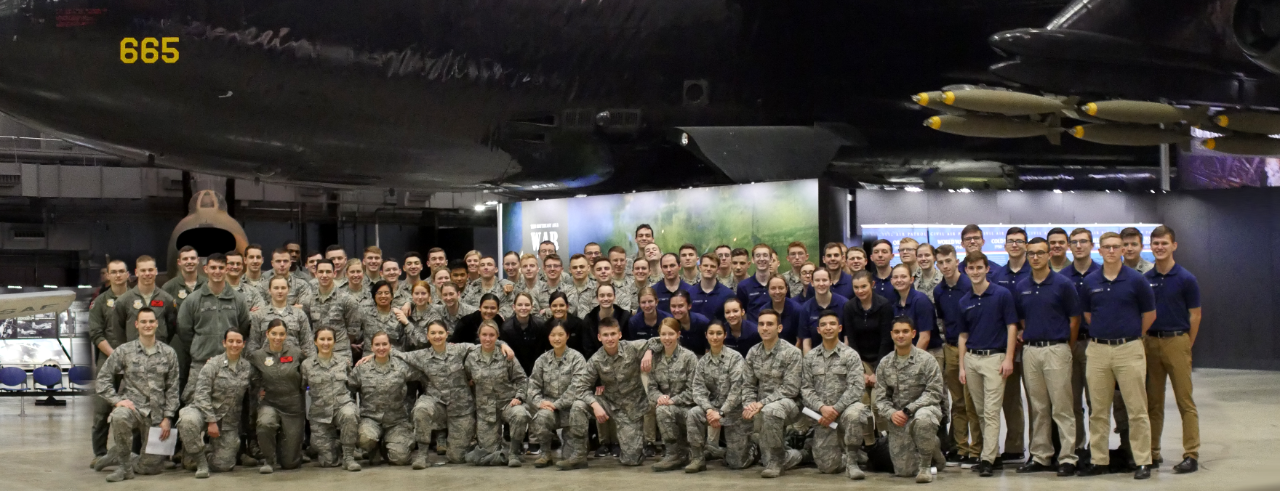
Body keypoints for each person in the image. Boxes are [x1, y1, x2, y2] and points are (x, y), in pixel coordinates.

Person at [1077, 232, 1157, 479]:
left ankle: (1143, 460)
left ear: (1123, 250)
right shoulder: (1090, 282)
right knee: (1098, 410)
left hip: (1129, 349)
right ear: (1099, 251)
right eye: (1106, 247)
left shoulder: (1136, 280)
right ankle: (1100, 460)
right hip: (1098, 350)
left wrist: (1130, 336)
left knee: (1137, 408)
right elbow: (1089, 315)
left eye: (1116, 247)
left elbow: (1150, 315)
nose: (1111, 251)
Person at [383, 321, 499, 467]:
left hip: (461, 408)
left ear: (447, 334)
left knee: (457, 458)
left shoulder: (460, 350)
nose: (437, 336)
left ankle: (470, 443)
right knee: (421, 409)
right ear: (427, 336)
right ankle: (422, 455)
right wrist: (373, 357)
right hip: (436, 403)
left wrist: (503, 345)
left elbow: (485, 344)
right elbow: (398, 355)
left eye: (440, 333)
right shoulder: (422, 355)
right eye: (433, 333)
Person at [1013, 237, 1080, 476]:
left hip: (1057, 349)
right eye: (1031, 253)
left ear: (1049, 255)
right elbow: (1022, 319)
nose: (1035, 257)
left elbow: (1074, 320)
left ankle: (1068, 457)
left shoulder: (1063, 284)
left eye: (1040, 253)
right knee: (1038, 407)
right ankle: (1041, 455)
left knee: (1062, 406)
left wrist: (1066, 348)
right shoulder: (1021, 286)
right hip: (1031, 350)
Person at [94, 308, 181, 482]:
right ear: (136, 325)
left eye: (151, 321)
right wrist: (117, 401)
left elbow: (173, 388)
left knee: (151, 468)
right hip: (133, 408)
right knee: (119, 416)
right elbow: (102, 379)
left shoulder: (168, 353)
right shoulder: (124, 351)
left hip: (156, 414)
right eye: (143, 322)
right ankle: (125, 468)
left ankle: (117, 455)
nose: (147, 325)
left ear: (156, 324)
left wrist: (168, 417)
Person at [1143, 225, 1201, 474]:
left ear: (1173, 246)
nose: (1159, 247)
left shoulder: (1186, 279)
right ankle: (1152, 452)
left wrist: (1186, 344)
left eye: (1164, 243)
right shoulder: (1146, 280)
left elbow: (1195, 315)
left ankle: (1191, 453)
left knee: (1184, 401)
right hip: (1151, 343)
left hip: (1177, 341)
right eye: (1155, 243)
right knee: (1153, 403)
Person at [956, 251, 1018, 477]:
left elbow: (1012, 326)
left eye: (979, 268)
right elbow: (963, 335)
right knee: (980, 412)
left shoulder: (1002, 295)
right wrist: (962, 366)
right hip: (972, 359)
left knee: (991, 411)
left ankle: (987, 459)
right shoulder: (964, 301)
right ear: (965, 270)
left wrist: (1009, 357)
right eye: (971, 268)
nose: (975, 272)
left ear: (987, 268)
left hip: (995, 359)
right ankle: (993, 455)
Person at [575, 317, 661, 467]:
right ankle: (578, 455)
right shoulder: (596, 360)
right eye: (606, 335)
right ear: (599, 337)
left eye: (613, 334)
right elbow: (581, 387)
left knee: (631, 460)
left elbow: (659, 340)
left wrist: (649, 351)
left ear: (620, 335)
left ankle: (630, 446)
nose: (610, 338)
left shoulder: (631, 348)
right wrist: (595, 405)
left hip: (632, 409)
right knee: (578, 406)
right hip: (608, 403)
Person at [874, 316, 946, 483]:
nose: (901, 335)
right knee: (904, 472)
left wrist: (910, 409)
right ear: (891, 334)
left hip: (925, 411)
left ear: (913, 334)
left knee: (923, 420)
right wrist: (892, 414)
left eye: (905, 331)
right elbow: (881, 399)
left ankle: (926, 466)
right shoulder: (885, 364)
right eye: (897, 332)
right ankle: (932, 446)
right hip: (899, 418)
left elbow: (935, 392)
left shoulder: (927, 360)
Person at [801, 310, 869, 479]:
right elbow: (806, 389)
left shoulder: (850, 355)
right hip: (823, 417)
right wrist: (822, 408)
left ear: (839, 328)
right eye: (823, 325)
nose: (828, 328)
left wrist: (835, 410)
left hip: (845, 411)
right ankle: (846, 454)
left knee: (856, 413)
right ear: (818, 330)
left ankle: (853, 461)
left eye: (832, 324)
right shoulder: (810, 358)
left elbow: (856, 387)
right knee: (827, 467)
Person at [175, 253, 252, 403]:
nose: (217, 271)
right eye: (213, 267)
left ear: (227, 270)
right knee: (194, 408)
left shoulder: (238, 299)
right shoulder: (193, 299)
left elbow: (242, 328)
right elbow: (184, 331)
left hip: (230, 365)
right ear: (206, 269)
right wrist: (201, 348)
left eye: (221, 267)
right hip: (201, 364)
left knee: (230, 410)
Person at [176, 329, 252, 478]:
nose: (234, 345)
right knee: (187, 421)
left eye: (238, 342)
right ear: (224, 343)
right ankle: (200, 462)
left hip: (228, 420)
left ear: (243, 344)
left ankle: (201, 453)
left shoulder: (247, 368)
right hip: (202, 411)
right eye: (230, 341)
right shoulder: (212, 365)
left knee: (224, 465)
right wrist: (211, 420)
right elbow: (201, 394)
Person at [931, 245, 980, 467]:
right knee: (958, 401)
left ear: (956, 260)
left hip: (973, 348)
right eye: (940, 263)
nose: (945, 266)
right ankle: (961, 447)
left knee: (974, 401)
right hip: (951, 348)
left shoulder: (970, 285)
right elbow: (943, 320)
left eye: (948, 261)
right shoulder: (939, 291)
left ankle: (977, 448)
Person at [685, 321, 756, 473]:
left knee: (737, 463)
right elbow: (698, 389)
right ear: (706, 335)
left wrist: (721, 412)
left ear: (725, 335)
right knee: (694, 413)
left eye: (719, 333)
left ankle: (752, 447)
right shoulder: (703, 362)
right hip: (712, 410)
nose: (715, 337)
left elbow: (737, 389)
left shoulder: (735, 358)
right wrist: (709, 410)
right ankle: (698, 458)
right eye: (711, 333)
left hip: (734, 413)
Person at [741, 309, 804, 478]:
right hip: (760, 406)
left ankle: (776, 461)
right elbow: (748, 385)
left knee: (771, 410)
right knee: (757, 459)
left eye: (770, 324)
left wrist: (761, 403)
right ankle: (798, 455)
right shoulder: (753, 352)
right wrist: (749, 404)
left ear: (779, 328)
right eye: (761, 324)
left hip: (790, 405)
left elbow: (791, 389)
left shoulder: (792, 353)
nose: (765, 328)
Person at [347, 331, 419, 466]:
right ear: (372, 347)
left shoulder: (402, 366)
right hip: (370, 419)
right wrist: (352, 411)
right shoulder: (362, 368)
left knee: (401, 459)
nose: (381, 348)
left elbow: (422, 372)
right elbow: (348, 389)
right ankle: (373, 448)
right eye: (377, 345)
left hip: (397, 421)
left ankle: (385, 448)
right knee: (365, 439)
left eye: (384, 344)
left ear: (390, 346)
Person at [466, 320, 532, 467]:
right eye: (484, 335)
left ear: (497, 336)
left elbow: (522, 378)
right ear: (479, 335)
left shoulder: (506, 355)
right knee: (485, 455)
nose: (487, 339)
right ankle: (503, 453)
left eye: (491, 335)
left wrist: (519, 397)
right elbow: (467, 379)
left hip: (507, 403)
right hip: (486, 410)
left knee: (520, 414)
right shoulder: (471, 357)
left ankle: (514, 452)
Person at [990, 228, 1030, 464]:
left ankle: (1039, 449)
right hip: (1008, 344)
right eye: (1010, 241)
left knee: (1037, 399)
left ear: (1025, 245)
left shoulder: (1035, 271)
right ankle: (1014, 447)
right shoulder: (996, 274)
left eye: (1019, 241)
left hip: (1033, 341)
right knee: (1011, 397)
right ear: (1004, 246)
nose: (1015, 245)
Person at [528, 322, 592, 469]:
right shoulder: (542, 360)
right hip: (550, 410)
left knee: (570, 458)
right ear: (548, 337)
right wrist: (540, 403)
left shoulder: (577, 358)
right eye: (553, 335)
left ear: (567, 336)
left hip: (571, 411)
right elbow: (533, 387)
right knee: (541, 417)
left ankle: (579, 449)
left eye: (561, 334)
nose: (557, 338)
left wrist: (556, 404)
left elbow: (577, 387)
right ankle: (545, 454)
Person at [843, 271, 894, 447]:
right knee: (863, 403)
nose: (860, 291)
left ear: (871, 285)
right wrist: (861, 372)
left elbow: (887, 340)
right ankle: (869, 444)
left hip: (883, 358)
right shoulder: (849, 307)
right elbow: (851, 340)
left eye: (863, 286)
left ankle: (885, 441)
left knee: (878, 403)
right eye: (856, 287)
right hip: (860, 360)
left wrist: (878, 371)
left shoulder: (884, 305)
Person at [249, 320, 307, 473]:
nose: (277, 337)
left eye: (281, 334)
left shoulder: (297, 354)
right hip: (270, 402)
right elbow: (249, 378)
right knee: (265, 423)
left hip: (293, 407)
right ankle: (268, 459)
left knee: (290, 464)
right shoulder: (257, 356)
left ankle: (290, 451)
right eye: (274, 333)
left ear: (286, 335)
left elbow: (309, 372)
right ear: (267, 334)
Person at [300, 327, 361, 471]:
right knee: (328, 461)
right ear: (315, 342)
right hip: (320, 414)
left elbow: (351, 383)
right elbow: (302, 387)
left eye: (329, 339)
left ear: (334, 342)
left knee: (349, 414)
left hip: (341, 406)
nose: (325, 343)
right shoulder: (306, 365)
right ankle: (336, 445)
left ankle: (348, 457)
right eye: (322, 339)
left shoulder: (343, 362)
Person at [1065, 227, 1101, 461]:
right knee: (1072, 401)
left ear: (1091, 245)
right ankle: (1078, 447)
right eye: (1075, 242)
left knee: (1096, 401)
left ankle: (1097, 450)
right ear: (1070, 246)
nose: (1079, 246)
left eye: (1083, 241)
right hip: (1070, 344)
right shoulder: (1061, 277)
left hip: (1095, 343)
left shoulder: (1102, 273)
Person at [647, 318, 700, 471]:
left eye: (671, 334)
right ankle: (673, 454)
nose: (667, 338)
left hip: (688, 408)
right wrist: (659, 397)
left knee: (666, 409)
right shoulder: (655, 358)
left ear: (678, 334)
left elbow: (694, 390)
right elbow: (651, 387)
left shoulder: (689, 357)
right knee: (661, 409)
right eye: (663, 334)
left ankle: (694, 452)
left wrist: (673, 400)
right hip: (666, 407)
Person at [110, 256, 180, 346]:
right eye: (143, 270)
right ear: (136, 272)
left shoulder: (167, 299)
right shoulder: (123, 301)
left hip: (159, 353)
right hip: (132, 354)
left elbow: (172, 328)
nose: (147, 273)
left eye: (150, 270)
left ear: (156, 271)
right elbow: (118, 332)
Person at [248, 276, 314, 357]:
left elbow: (308, 345)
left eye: (283, 288)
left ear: (288, 290)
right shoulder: (259, 315)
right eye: (276, 288)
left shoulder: (299, 314)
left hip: (293, 364)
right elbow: (253, 345)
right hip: (266, 365)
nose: (280, 291)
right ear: (269, 290)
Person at [309, 260, 361, 355]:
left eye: (328, 272)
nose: (324, 275)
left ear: (334, 273)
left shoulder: (347, 299)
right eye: (321, 272)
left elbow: (353, 330)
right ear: (316, 274)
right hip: (316, 353)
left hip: (341, 353)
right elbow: (307, 327)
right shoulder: (308, 300)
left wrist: (340, 343)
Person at [891, 263, 939, 362]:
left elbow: (925, 338)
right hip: (907, 354)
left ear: (911, 280)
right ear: (891, 281)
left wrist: (911, 361)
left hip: (928, 353)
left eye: (903, 276)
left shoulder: (921, 301)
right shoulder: (896, 304)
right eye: (895, 277)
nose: (899, 280)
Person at [800, 269, 847, 353]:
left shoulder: (844, 304)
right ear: (812, 283)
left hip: (841, 356)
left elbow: (847, 338)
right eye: (817, 280)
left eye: (824, 280)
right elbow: (806, 342)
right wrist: (810, 363)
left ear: (830, 282)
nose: (821, 284)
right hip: (816, 359)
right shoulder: (806, 308)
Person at [501, 292, 548, 376]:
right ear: (514, 307)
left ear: (532, 307)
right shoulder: (506, 328)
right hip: (514, 372)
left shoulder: (541, 325)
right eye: (519, 305)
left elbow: (545, 351)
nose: (523, 308)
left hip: (537, 371)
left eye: (527, 305)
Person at [583, 283, 630, 358]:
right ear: (597, 298)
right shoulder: (589, 319)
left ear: (614, 297)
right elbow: (588, 349)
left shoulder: (624, 317)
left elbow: (628, 344)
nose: (605, 299)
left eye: (609, 295)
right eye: (602, 295)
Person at [359, 281, 407, 351]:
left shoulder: (399, 314)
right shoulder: (365, 314)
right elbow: (355, 333)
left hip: (394, 358)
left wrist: (407, 323)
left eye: (387, 293)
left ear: (392, 296)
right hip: (370, 357)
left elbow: (409, 342)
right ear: (374, 296)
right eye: (379, 293)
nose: (383, 296)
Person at [690, 253, 734, 322]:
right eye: (705, 265)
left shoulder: (728, 294)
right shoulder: (689, 293)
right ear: (700, 267)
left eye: (712, 266)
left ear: (718, 269)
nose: (708, 269)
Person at [736, 244, 774, 320]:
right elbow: (742, 313)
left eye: (765, 255)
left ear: (771, 259)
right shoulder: (743, 286)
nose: (762, 259)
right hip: (753, 331)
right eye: (758, 255)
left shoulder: (779, 284)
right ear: (753, 259)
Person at [764, 276, 804, 344]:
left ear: (786, 289)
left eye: (781, 288)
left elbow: (799, 340)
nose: (777, 292)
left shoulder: (797, 310)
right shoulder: (763, 311)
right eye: (773, 288)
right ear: (768, 290)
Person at [545, 292, 587, 356]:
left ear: (567, 306)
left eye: (561, 305)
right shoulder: (546, 326)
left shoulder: (579, 324)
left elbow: (585, 349)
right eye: (554, 306)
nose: (558, 309)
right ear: (550, 307)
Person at [669, 290, 710, 355]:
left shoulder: (703, 322)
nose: (676, 310)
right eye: (673, 306)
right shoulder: (669, 324)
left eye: (680, 306)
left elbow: (710, 348)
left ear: (689, 306)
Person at [401, 281, 438, 351]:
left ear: (429, 295)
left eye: (423, 293)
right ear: (412, 295)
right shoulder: (408, 310)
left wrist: (407, 323)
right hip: (406, 354)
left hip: (424, 355)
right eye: (416, 293)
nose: (420, 297)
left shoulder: (434, 316)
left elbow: (424, 342)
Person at [608, 246, 636, 311]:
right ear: (609, 262)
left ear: (626, 262)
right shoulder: (605, 283)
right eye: (615, 260)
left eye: (622, 260)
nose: (619, 264)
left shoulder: (634, 282)